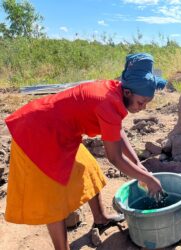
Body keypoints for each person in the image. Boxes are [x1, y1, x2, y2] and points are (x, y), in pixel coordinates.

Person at [4, 53, 166, 250]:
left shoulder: (115, 91)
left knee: (88, 169)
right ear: (128, 93)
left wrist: (139, 166)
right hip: (38, 131)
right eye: (141, 102)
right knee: (53, 198)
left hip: (61, 131)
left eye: (147, 103)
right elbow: (114, 157)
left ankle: (101, 218)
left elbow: (118, 131)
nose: (143, 108)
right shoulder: (108, 103)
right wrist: (148, 179)